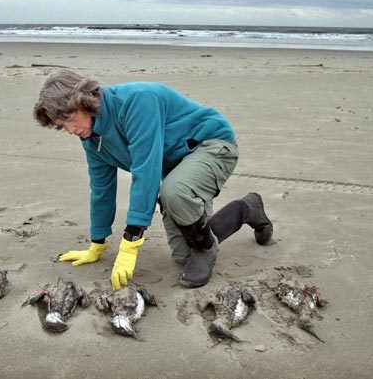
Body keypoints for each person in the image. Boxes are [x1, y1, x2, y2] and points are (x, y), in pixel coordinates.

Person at [33, 70, 273, 291]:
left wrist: (131, 241)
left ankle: (204, 246)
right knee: (184, 257)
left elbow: (146, 170)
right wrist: (97, 242)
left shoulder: (137, 100)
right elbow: (101, 189)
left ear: (84, 101)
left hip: (212, 144)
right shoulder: (92, 140)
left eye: (71, 119)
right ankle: (248, 208)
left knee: (173, 193)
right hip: (177, 169)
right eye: (62, 126)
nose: (71, 130)